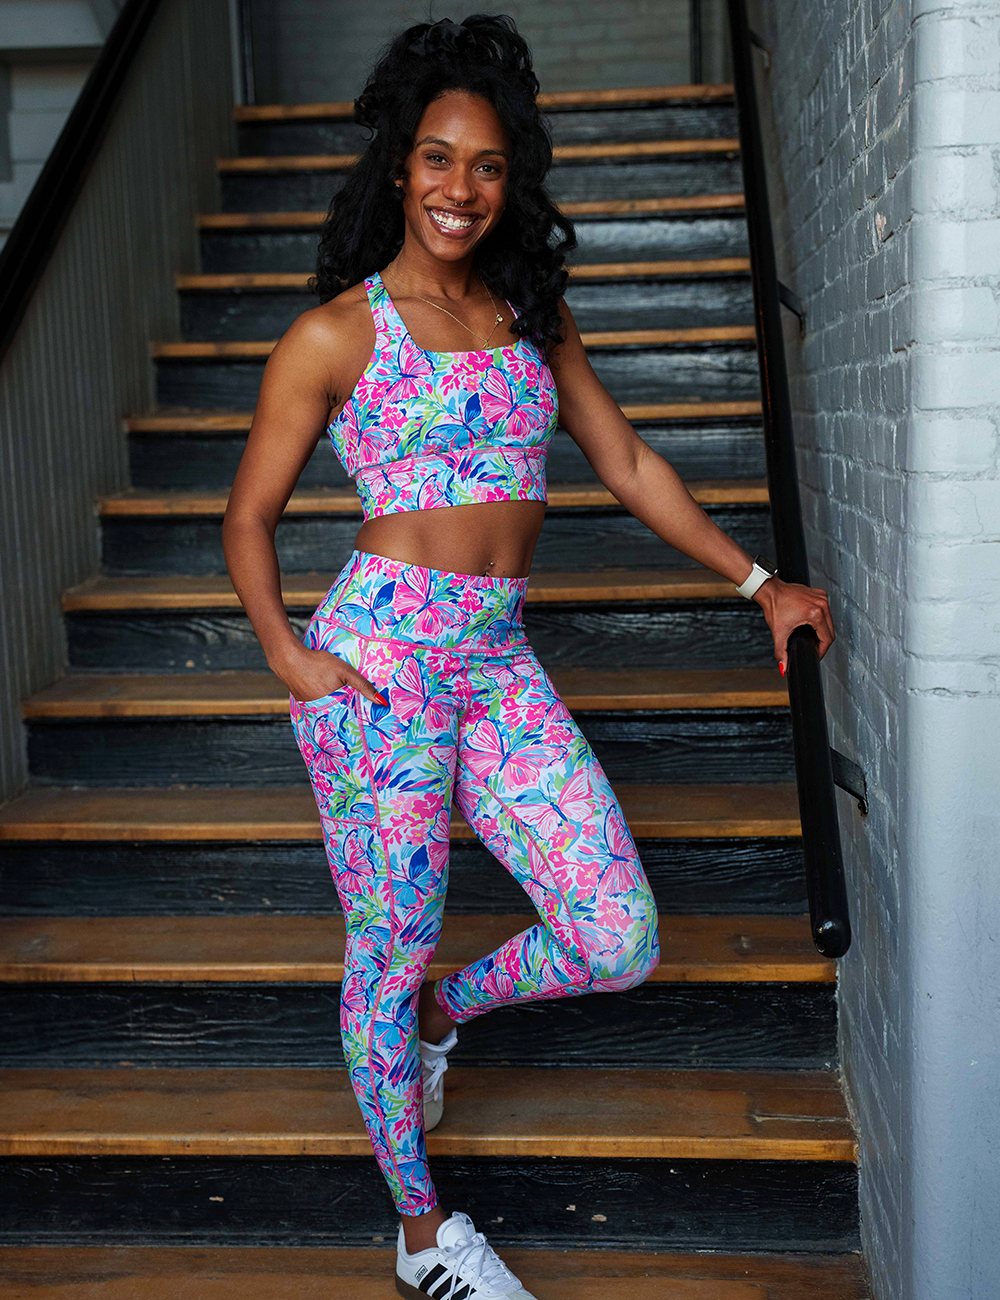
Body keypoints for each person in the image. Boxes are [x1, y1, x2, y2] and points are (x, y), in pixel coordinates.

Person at [222, 14, 836, 1299]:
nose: (459, 187)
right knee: (385, 948)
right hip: (379, 667)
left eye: (486, 165)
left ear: (513, 180)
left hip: (495, 663)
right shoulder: (338, 334)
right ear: (401, 166)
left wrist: (757, 582)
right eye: (437, 158)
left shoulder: (528, 316)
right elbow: (249, 515)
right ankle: (419, 1236)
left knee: (617, 931)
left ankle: (450, 1015)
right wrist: (287, 651)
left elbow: (624, 464)